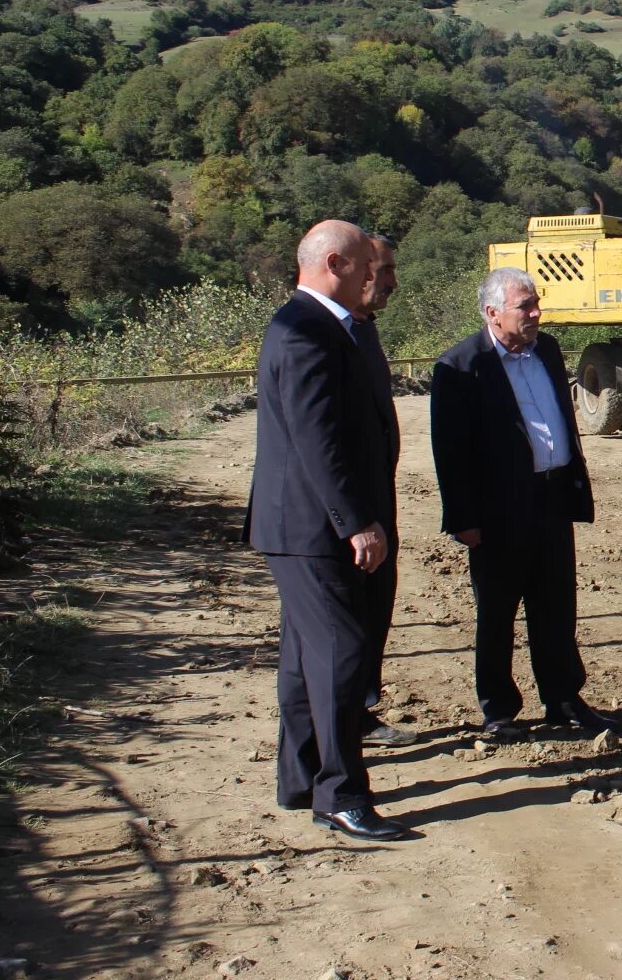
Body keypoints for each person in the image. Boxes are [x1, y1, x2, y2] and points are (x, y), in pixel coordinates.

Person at [244, 220, 415, 842]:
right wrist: (356, 521)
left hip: (308, 526)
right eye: (368, 265)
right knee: (342, 653)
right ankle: (340, 794)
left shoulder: (332, 327)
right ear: (336, 264)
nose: (376, 276)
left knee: (303, 658)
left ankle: (300, 778)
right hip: (313, 529)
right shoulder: (303, 331)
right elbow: (318, 442)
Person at [430, 267, 619, 738]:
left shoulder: (548, 351)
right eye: (525, 306)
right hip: (497, 509)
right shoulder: (460, 366)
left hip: (552, 496)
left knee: (556, 604)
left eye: (537, 303)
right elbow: (449, 451)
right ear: (492, 313)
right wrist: (462, 518)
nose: (536, 313)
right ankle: (498, 708)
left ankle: (563, 699)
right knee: (497, 610)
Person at [352, 234, 417, 749]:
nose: (394, 281)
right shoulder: (321, 335)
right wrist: (352, 518)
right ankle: (339, 728)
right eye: (386, 270)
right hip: (346, 518)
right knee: (344, 626)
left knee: (374, 613)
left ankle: (360, 709)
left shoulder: (363, 331)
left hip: (375, 503)